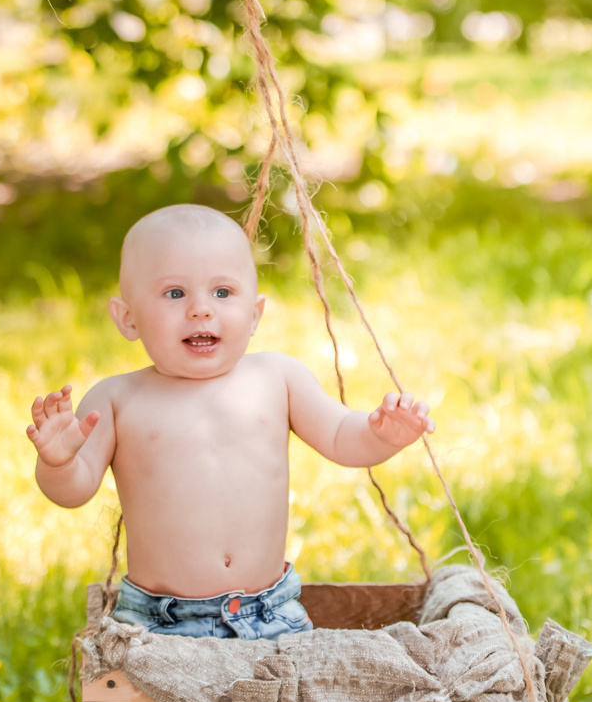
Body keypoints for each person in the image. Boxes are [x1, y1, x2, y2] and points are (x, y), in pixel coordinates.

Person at [27, 203, 434, 638]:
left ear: (255, 314)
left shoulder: (279, 378)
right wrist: (58, 462)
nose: (201, 310)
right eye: (175, 293)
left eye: (222, 293)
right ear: (128, 318)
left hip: (270, 612)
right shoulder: (116, 400)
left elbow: (340, 437)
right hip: (162, 622)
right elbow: (73, 491)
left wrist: (383, 436)